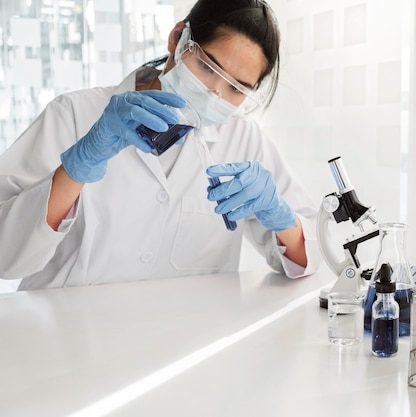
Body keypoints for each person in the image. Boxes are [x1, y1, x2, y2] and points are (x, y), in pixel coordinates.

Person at [0, 0, 321, 290]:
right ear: (177, 39)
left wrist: (279, 215)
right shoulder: (73, 114)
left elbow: (305, 259)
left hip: (183, 347)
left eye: (237, 89)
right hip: (64, 342)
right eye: (208, 68)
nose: (215, 95)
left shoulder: (244, 140)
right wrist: (76, 168)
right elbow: (6, 255)